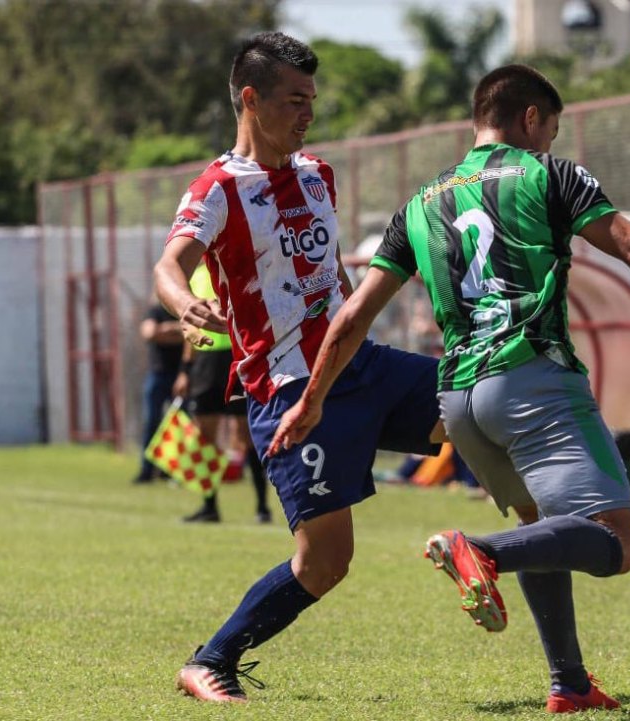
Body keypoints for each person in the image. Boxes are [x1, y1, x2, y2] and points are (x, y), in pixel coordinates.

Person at [270, 64, 630, 712]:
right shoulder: (548, 175)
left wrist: (312, 398)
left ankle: (570, 681)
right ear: (531, 119)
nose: (551, 145)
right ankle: (482, 552)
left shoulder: (418, 205)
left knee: (544, 523)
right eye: (550, 132)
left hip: (460, 402)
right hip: (531, 378)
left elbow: (353, 315)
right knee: (612, 541)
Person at [152, 32, 445, 704]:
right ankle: (210, 660)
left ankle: (621, 539)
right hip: (287, 391)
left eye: (313, 99)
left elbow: (332, 272)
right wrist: (182, 307)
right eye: (295, 99)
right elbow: (171, 266)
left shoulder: (318, 174)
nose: (308, 112)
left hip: (361, 365)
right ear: (251, 100)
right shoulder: (218, 188)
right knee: (325, 562)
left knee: (480, 404)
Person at [179, 262, 270, 524]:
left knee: (247, 436)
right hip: (206, 365)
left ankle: (262, 507)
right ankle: (209, 506)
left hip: (237, 358)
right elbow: (191, 326)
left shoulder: (236, 268)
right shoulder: (193, 277)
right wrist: (186, 370)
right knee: (206, 437)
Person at [132, 299, 184, 484]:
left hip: (181, 376)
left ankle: (173, 471)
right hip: (158, 375)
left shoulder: (184, 309)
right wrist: (177, 329)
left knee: (179, 426)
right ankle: (146, 470)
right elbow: (150, 333)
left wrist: (165, 331)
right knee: (151, 422)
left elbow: (192, 335)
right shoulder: (154, 311)